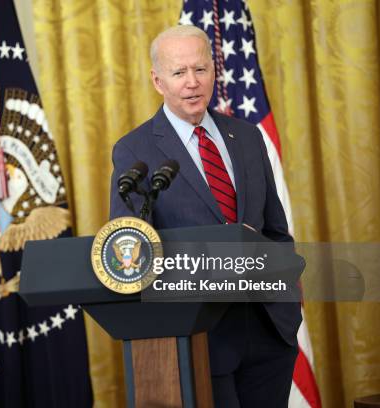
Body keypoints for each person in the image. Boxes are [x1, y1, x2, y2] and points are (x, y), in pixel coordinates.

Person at [109, 25, 301, 407]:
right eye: (179, 73)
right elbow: (130, 253)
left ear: (214, 71)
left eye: (200, 69)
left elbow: (276, 231)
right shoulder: (135, 150)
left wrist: (287, 293)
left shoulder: (246, 137)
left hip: (268, 329)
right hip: (197, 333)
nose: (192, 83)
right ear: (157, 79)